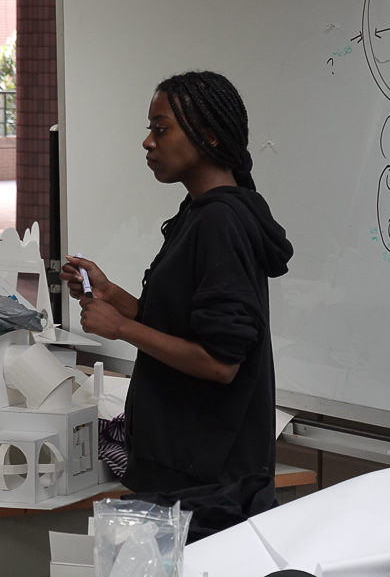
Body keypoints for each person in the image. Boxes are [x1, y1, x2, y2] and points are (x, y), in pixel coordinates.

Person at [60, 71, 294, 496]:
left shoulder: (221, 222)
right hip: (177, 467)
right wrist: (111, 295)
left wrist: (120, 328)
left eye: (161, 129)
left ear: (209, 138)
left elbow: (219, 363)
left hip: (207, 487)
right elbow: (179, 327)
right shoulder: (196, 212)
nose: (148, 142)